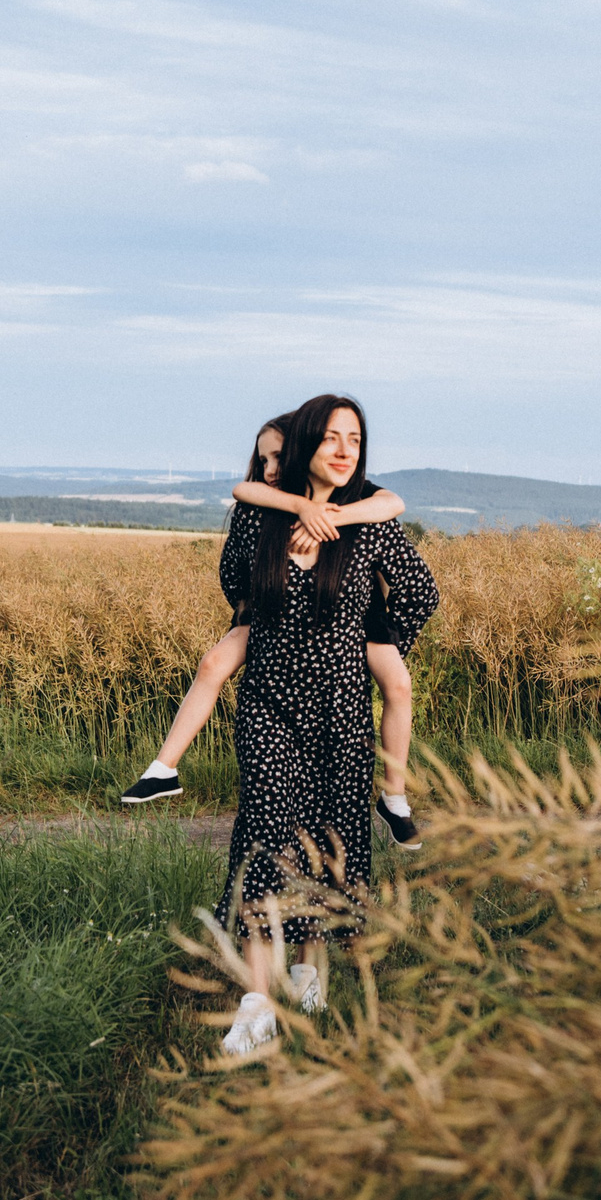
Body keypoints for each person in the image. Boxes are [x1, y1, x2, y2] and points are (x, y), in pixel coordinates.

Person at [212, 394, 438, 1058]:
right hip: (270, 704)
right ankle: (256, 1005)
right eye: (332, 437)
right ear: (308, 442)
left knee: (327, 840)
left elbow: (421, 593)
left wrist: (374, 640)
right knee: (266, 831)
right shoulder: (260, 520)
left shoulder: (368, 525)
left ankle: (310, 970)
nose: (345, 449)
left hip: (342, 714)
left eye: (356, 439)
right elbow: (235, 585)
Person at [120, 417, 421, 846]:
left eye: (279, 456)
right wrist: (299, 509)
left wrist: (335, 513)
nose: (271, 468)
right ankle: (164, 768)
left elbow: (392, 503)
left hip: (359, 621)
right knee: (212, 663)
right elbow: (243, 492)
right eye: (263, 459)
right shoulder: (265, 506)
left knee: (399, 684)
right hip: (272, 615)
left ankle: (395, 797)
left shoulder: (352, 493)